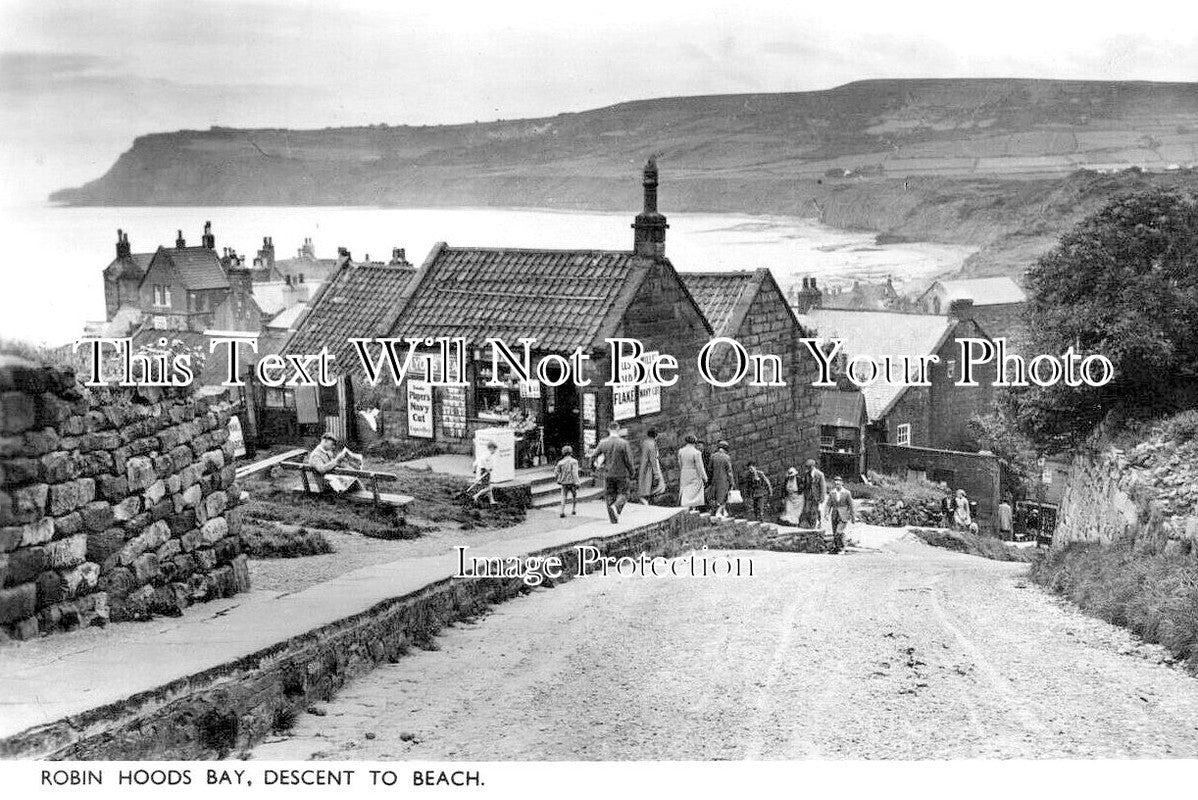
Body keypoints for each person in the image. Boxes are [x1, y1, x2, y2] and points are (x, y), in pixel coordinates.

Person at [595, 421, 635, 524]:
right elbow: (628, 460)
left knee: (609, 495)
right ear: (618, 429)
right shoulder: (624, 443)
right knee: (624, 493)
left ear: (608, 429)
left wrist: (594, 469)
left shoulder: (603, 442)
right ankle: (616, 507)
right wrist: (632, 471)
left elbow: (593, 457)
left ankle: (613, 519)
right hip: (622, 473)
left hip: (608, 474)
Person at [678, 434, 708, 510]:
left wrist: (683, 471)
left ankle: (686, 508)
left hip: (684, 473)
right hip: (694, 474)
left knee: (685, 491)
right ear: (694, 442)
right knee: (694, 493)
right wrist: (705, 477)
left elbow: (680, 464)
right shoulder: (696, 453)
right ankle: (693, 508)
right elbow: (700, 466)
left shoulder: (681, 451)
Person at [827, 476, 855, 554]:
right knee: (835, 532)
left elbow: (851, 505)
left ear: (842, 483)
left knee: (839, 531)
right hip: (835, 514)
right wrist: (826, 514)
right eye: (836, 483)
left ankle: (842, 547)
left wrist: (853, 517)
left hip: (844, 515)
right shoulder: (832, 493)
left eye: (839, 483)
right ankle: (837, 547)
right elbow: (828, 504)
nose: (837, 485)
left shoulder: (847, 493)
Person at [637, 428, 665, 503]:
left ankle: (647, 500)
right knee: (659, 487)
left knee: (646, 487)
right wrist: (656, 473)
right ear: (655, 435)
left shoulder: (645, 443)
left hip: (644, 466)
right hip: (650, 467)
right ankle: (650, 501)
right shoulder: (652, 444)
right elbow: (653, 459)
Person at [798, 458, 827, 528]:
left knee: (815, 510)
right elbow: (805, 484)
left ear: (813, 466)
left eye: (809, 467)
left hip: (816, 496)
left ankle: (815, 525)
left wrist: (822, 497)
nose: (808, 468)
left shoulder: (820, 474)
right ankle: (809, 525)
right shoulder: (806, 474)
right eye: (807, 467)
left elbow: (823, 487)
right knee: (807, 510)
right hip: (808, 496)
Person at [709, 441, 735, 518]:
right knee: (724, 497)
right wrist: (732, 483)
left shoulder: (713, 456)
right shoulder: (726, 457)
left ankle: (723, 512)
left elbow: (709, 469)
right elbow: (729, 472)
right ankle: (718, 512)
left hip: (715, 480)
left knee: (716, 496)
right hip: (724, 480)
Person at [469, 440, 499, 506]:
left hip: (486, 471)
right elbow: (483, 460)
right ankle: (476, 496)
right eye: (494, 449)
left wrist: (474, 467)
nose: (495, 451)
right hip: (484, 471)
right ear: (491, 448)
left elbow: (477, 461)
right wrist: (487, 468)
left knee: (488, 486)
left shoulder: (488, 454)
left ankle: (492, 501)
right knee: (489, 488)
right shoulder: (487, 454)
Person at [554, 445, 580, 518]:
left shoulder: (560, 462)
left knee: (563, 496)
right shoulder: (574, 461)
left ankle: (562, 511)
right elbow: (575, 473)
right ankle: (573, 509)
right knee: (574, 496)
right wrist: (577, 482)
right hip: (572, 482)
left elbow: (556, 473)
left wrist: (559, 478)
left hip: (564, 482)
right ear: (571, 452)